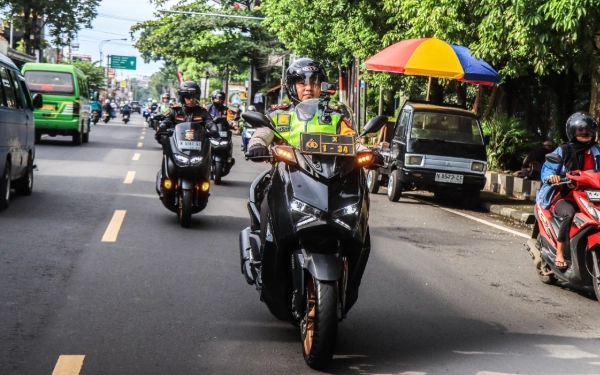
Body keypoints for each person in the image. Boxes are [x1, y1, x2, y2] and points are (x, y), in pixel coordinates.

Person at [537, 112, 600, 269]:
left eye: (588, 130)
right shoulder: (563, 150)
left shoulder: (597, 150)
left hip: (592, 196)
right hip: (567, 195)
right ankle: (559, 251)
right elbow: (548, 168)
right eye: (580, 130)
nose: (585, 133)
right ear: (572, 132)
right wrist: (552, 177)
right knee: (569, 214)